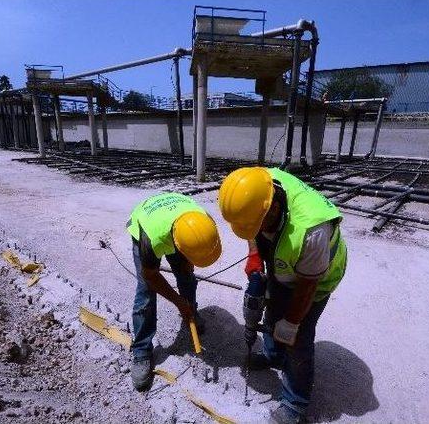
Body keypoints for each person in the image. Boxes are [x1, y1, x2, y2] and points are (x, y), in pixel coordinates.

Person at [218, 167, 347, 423]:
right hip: (286, 260)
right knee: (274, 309)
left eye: (256, 223)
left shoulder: (312, 229)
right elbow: (252, 227)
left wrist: (291, 323)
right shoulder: (257, 184)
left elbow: (307, 287)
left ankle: (295, 403)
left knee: (298, 337)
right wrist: (255, 254)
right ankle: (273, 355)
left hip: (317, 277)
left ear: (272, 208)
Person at [127, 192, 222, 391]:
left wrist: (188, 264)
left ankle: (191, 315)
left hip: (180, 219)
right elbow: (152, 276)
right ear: (178, 245)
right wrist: (178, 301)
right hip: (146, 223)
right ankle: (142, 350)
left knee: (187, 278)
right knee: (145, 293)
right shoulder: (153, 238)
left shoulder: (203, 222)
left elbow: (198, 249)